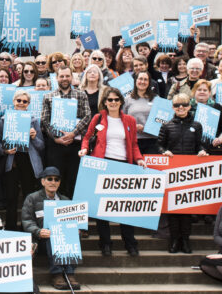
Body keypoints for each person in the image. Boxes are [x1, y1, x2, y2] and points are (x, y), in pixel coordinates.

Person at [80, 86, 144, 256]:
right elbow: (87, 137)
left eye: (116, 99)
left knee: (124, 208)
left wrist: (139, 158)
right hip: (103, 165)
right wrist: (84, 149)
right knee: (102, 208)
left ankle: (130, 244)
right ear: (105, 102)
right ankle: (105, 244)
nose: (113, 102)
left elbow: (134, 144)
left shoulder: (129, 120)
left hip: (123, 165)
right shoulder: (98, 118)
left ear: (121, 102)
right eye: (110, 100)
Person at [157, 93, 208, 253]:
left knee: (186, 209)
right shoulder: (167, 125)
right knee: (173, 210)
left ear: (189, 107)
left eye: (184, 105)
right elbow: (159, 145)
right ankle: (174, 241)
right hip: (172, 172)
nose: (181, 108)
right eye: (177, 105)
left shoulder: (197, 125)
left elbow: (199, 145)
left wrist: (202, 151)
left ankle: (185, 241)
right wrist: (164, 152)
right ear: (173, 107)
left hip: (189, 172)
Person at [21, 166, 80, 294]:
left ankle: (70, 273)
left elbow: (73, 222)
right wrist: (38, 231)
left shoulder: (65, 200)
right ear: (43, 181)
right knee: (52, 235)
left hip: (62, 239)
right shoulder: (32, 198)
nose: (53, 182)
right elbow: (26, 221)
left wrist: (76, 229)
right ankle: (57, 274)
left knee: (69, 233)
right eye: (49, 179)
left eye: (56, 179)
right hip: (41, 240)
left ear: (59, 183)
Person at [40, 66, 91, 199]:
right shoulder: (48, 96)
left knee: (73, 178)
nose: (64, 79)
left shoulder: (81, 94)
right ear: (56, 78)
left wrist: (73, 133)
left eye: (67, 76)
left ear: (72, 77)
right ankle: (57, 206)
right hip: (56, 145)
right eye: (61, 76)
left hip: (75, 143)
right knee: (56, 178)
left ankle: (72, 207)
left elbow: (87, 116)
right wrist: (56, 138)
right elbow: (45, 120)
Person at [0, 88, 44, 230]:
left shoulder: (34, 120)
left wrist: (34, 137)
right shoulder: (4, 120)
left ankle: (28, 229)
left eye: (25, 101)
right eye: (19, 100)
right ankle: (11, 229)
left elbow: (41, 145)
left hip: (29, 164)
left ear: (28, 104)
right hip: (12, 163)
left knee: (28, 198)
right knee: (11, 198)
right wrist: (5, 150)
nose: (21, 103)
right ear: (13, 101)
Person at [124, 71, 158, 155]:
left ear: (149, 82)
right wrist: (132, 127)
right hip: (133, 140)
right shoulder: (127, 99)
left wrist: (145, 128)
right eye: (140, 79)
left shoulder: (156, 99)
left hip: (152, 141)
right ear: (135, 81)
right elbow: (122, 119)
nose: (142, 82)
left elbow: (160, 122)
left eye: (145, 79)